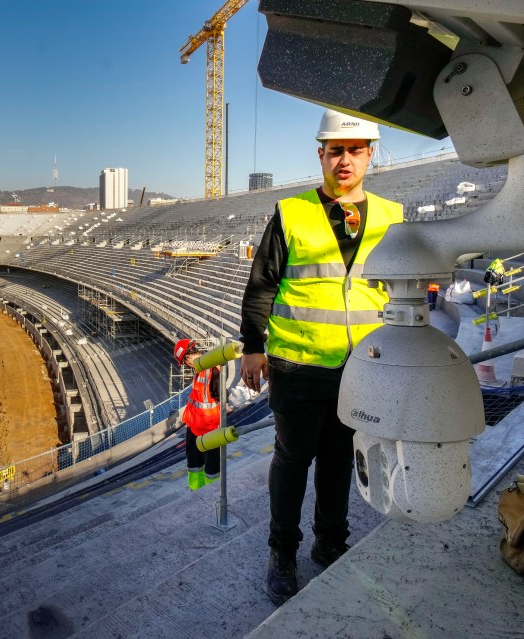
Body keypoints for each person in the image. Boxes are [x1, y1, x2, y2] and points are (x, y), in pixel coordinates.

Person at [239, 109, 403, 605]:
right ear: (322, 156)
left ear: (370, 154)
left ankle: (331, 543)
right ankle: (282, 554)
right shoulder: (292, 213)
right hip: (299, 364)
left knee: (338, 460)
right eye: (336, 151)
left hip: (362, 366)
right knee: (292, 461)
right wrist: (252, 346)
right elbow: (262, 284)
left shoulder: (393, 218)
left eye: (355, 150)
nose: (345, 160)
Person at [173, 339, 222, 490]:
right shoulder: (201, 369)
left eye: (185, 362)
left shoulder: (211, 369)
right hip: (195, 425)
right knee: (195, 466)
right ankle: (195, 491)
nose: (187, 366)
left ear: (188, 357)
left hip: (208, 428)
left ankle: (210, 493)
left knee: (211, 469)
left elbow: (218, 393)